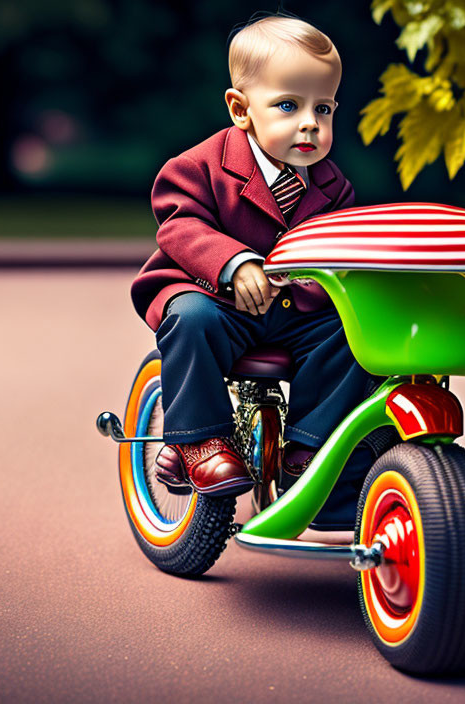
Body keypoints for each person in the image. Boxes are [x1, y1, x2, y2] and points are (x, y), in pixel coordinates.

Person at [130, 14, 372, 528]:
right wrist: (234, 262)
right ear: (241, 109)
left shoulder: (333, 188)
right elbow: (180, 223)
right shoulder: (200, 166)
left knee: (354, 338)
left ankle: (310, 449)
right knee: (190, 320)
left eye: (323, 108)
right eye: (289, 105)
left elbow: (339, 244)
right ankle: (198, 440)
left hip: (295, 309)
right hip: (216, 298)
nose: (310, 122)